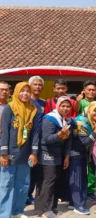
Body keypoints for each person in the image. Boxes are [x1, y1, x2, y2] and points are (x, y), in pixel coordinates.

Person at [0, 82, 39, 218]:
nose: (25, 94)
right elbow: (4, 131)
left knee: (23, 184)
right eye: (22, 91)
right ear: (16, 92)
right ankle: (4, 214)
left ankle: (17, 211)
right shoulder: (9, 108)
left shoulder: (33, 109)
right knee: (6, 184)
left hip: (25, 154)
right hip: (10, 153)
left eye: (27, 91)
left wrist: (34, 153)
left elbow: (35, 133)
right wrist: (3, 154)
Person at [35, 96, 73, 218]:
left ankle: (52, 207)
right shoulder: (49, 119)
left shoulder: (66, 120)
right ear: (57, 106)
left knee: (55, 181)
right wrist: (59, 134)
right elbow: (46, 139)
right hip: (47, 154)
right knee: (49, 181)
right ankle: (45, 209)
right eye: (63, 106)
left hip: (59, 155)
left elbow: (68, 140)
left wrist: (67, 156)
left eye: (68, 106)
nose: (65, 108)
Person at [70, 101, 96, 215]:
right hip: (76, 154)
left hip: (82, 154)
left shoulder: (90, 121)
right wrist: (95, 132)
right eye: (95, 111)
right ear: (89, 110)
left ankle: (75, 203)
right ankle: (78, 206)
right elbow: (84, 142)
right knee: (77, 180)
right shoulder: (81, 121)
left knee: (82, 180)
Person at [74, 80, 96, 200]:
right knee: (82, 166)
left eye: (93, 90)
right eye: (89, 89)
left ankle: (90, 190)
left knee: (92, 166)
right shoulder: (82, 102)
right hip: (83, 136)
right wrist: (78, 100)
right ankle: (81, 191)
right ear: (84, 91)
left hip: (94, 138)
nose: (91, 92)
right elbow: (75, 109)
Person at [27, 76, 46, 205]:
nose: (38, 87)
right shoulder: (26, 101)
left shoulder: (45, 103)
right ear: (30, 86)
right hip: (26, 140)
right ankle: (25, 194)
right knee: (26, 168)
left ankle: (31, 195)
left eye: (40, 85)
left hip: (41, 140)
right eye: (35, 84)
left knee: (36, 169)